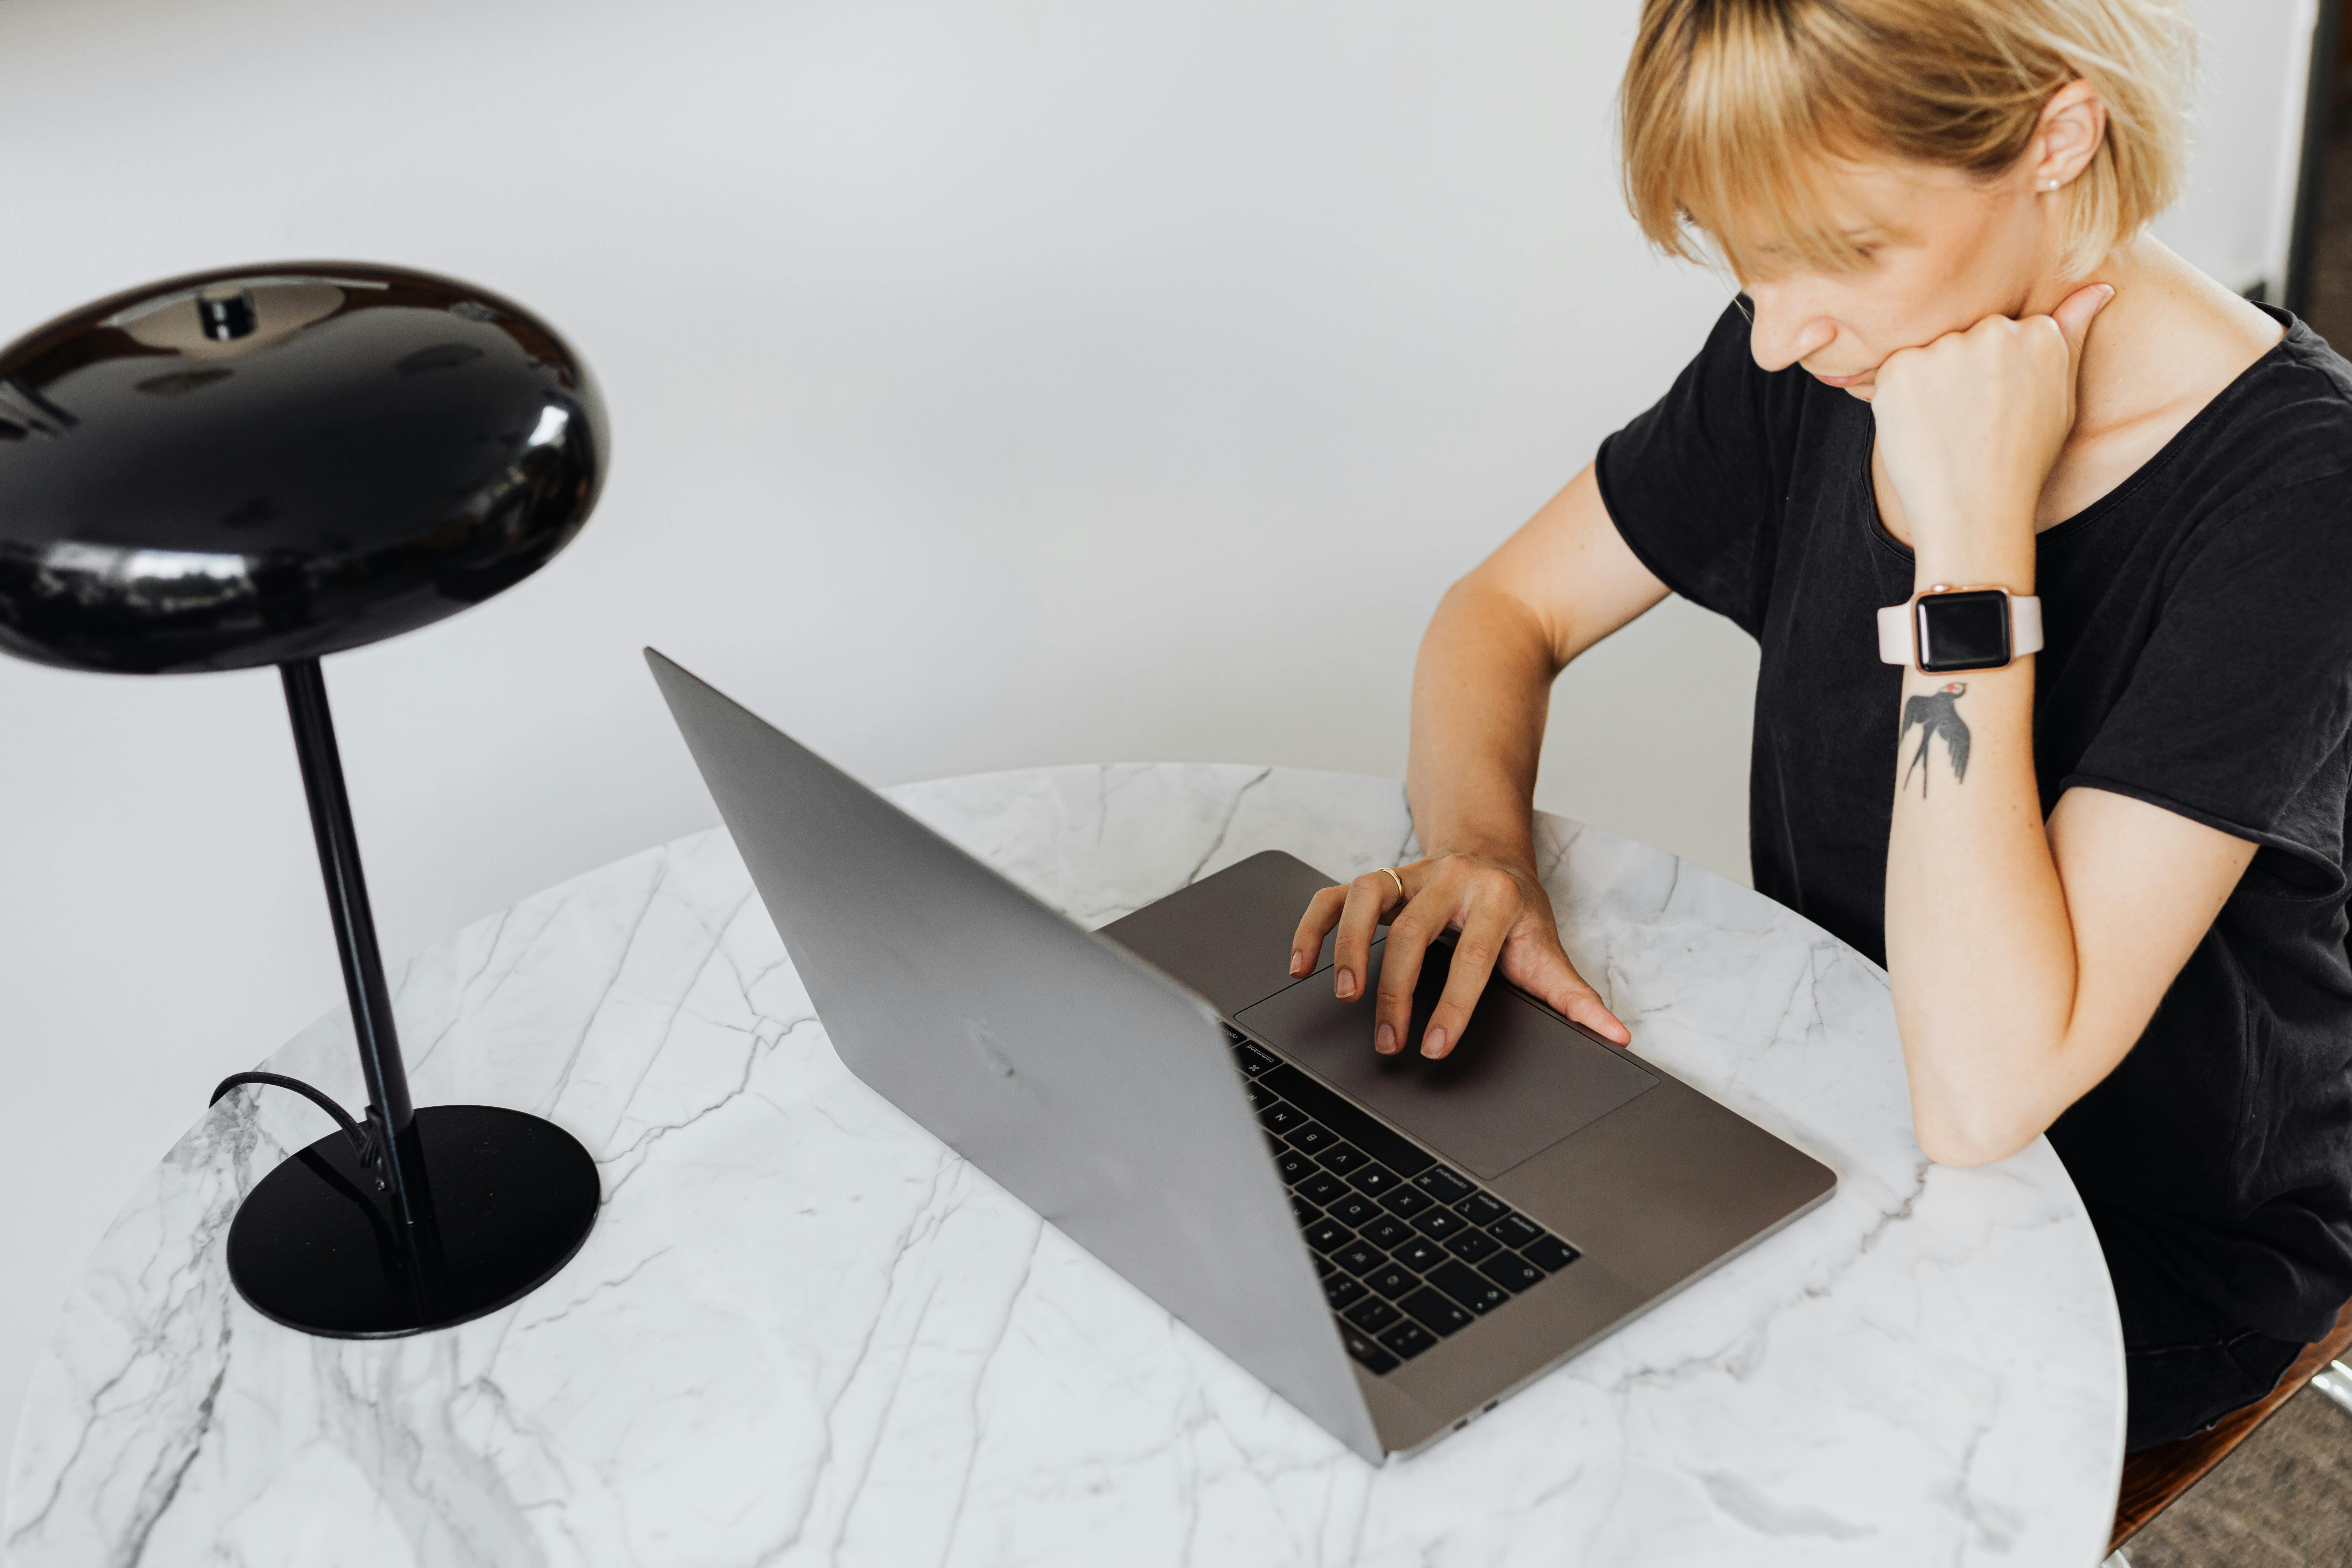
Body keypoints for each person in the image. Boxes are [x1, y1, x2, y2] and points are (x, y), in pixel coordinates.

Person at [1289, 0, 2352, 1452]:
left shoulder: (2302, 501)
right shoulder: (1840, 348)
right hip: (1833, 1110)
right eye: (1747, 263)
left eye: (1842, 253)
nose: (1781, 337)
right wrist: (1482, 852)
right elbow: (1501, 616)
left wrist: (1970, 545)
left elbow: (1984, 1092)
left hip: (2133, 1244)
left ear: (2058, 134)